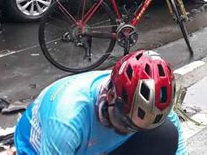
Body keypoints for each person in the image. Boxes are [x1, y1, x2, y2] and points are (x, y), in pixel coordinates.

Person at [13, 50, 187, 155]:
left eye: (136, 127)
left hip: (96, 145)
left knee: (165, 135)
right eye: (126, 124)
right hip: (43, 148)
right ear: (111, 96)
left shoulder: (154, 106)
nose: (126, 132)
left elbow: (178, 149)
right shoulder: (66, 119)